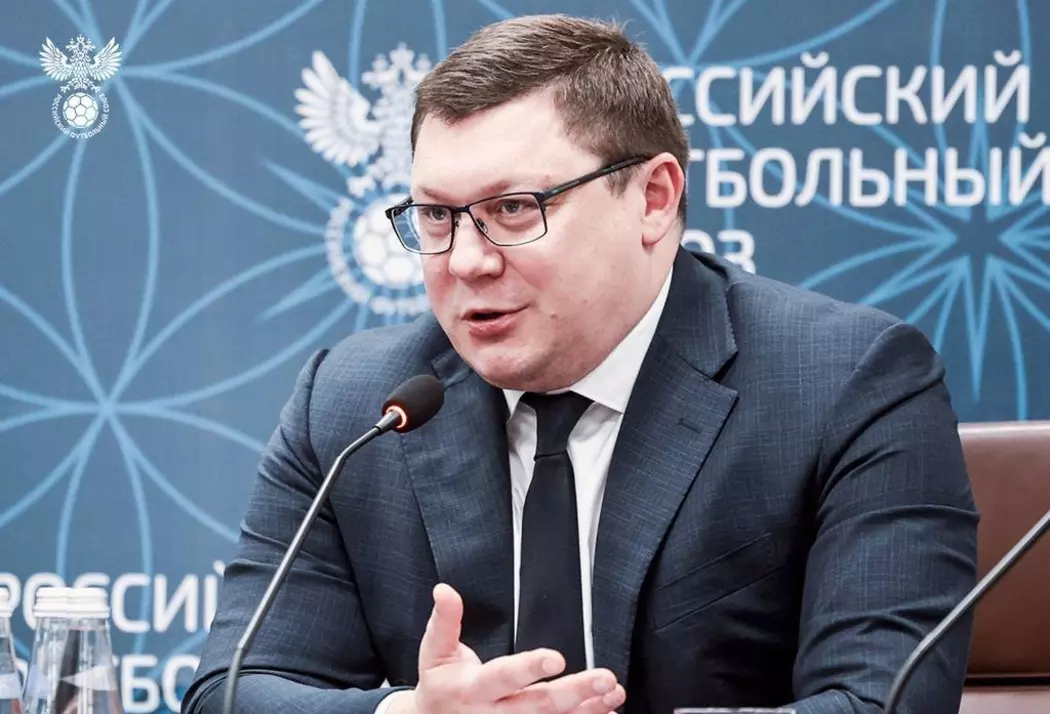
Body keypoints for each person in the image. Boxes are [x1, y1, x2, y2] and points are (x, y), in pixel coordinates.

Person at [182, 13, 979, 714]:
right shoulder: (357, 406)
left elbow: (882, 701)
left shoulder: (845, 383)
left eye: (513, 209)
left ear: (653, 199)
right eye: (437, 216)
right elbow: (235, 690)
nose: (466, 261)